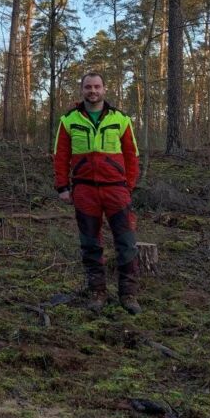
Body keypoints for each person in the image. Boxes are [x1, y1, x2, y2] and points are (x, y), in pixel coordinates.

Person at [53, 71, 142, 314]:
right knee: (90, 244)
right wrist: (62, 187)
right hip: (84, 190)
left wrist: (129, 186)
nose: (93, 91)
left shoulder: (121, 119)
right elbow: (61, 156)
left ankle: (129, 294)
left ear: (104, 89)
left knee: (126, 243)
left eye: (97, 87)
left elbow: (132, 156)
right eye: (88, 87)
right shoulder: (69, 120)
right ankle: (97, 292)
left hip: (116, 190)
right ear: (82, 90)